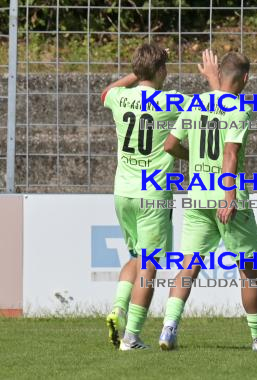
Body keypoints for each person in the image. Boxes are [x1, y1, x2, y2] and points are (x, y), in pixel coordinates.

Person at [160, 51, 257, 351]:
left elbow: (170, 145)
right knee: (248, 269)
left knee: (188, 266)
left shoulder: (195, 104)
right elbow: (230, 155)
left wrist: (197, 159)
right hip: (227, 198)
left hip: (197, 195)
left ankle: (168, 329)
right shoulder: (239, 110)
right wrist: (228, 197)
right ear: (245, 78)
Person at [102, 43, 194, 350]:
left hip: (123, 191)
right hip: (152, 193)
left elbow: (107, 92)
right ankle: (132, 336)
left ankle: (118, 307)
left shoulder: (119, 97)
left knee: (134, 256)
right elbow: (203, 108)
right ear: (161, 70)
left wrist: (138, 72)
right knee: (150, 263)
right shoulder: (172, 100)